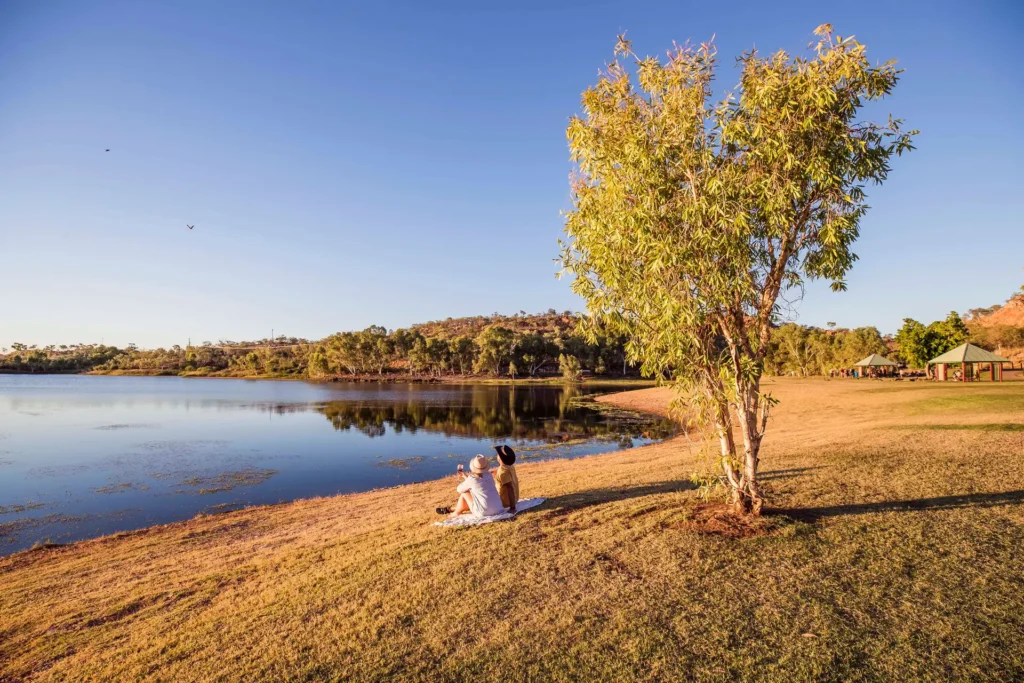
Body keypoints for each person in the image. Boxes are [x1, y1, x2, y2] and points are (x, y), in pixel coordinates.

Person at [436, 454, 504, 519]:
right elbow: (479, 483)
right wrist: (465, 477)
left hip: (483, 512)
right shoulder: (489, 475)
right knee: (474, 495)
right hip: (498, 508)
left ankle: (456, 512)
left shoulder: (472, 479)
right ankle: (452, 509)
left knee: (465, 492)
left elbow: (459, 489)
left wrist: (466, 480)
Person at [492, 444, 520, 513]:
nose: (497, 455)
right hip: (515, 499)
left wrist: (512, 507)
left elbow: (510, 489)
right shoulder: (509, 466)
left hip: (505, 503)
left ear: (500, 458)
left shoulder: (503, 473)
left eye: (498, 454)